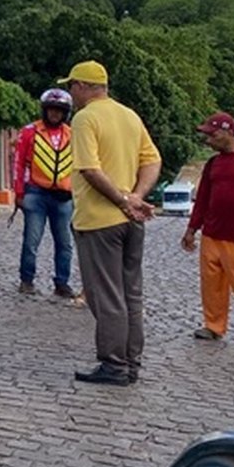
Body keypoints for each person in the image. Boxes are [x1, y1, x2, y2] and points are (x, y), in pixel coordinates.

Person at [60, 60, 161, 386]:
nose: (70, 92)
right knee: (131, 294)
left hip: (100, 220)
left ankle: (114, 365)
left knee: (106, 296)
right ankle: (132, 362)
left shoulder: (85, 118)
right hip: (132, 220)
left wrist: (121, 199)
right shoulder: (129, 115)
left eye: (72, 85)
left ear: (85, 86)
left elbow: (89, 169)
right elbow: (152, 159)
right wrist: (136, 196)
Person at [181, 112, 234, 349]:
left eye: (211, 134)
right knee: (211, 284)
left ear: (227, 132)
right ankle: (214, 325)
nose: (208, 140)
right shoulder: (213, 164)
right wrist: (191, 229)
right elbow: (203, 198)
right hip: (212, 235)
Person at [12, 88, 77, 298]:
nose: (54, 114)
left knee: (65, 243)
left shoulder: (73, 135)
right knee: (31, 240)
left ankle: (62, 282)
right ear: (44, 110)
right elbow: (19, 163)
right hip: (36, 193)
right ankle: (27, 280)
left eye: (59, 111)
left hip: (64, 197)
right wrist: (19, 192)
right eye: (51, 110)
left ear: (65, 113)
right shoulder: (30, 131)